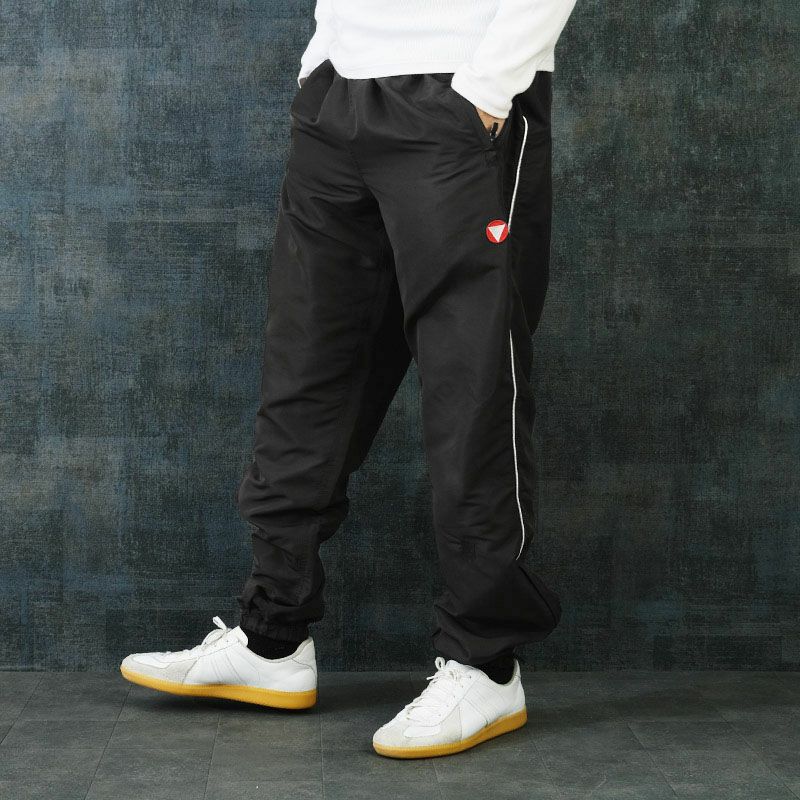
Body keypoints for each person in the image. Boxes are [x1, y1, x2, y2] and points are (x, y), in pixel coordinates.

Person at [120, 0, 577, 759]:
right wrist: (325, 54)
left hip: (463, 89)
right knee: (307, 369)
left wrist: (490, 84)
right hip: (340, 92)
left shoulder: (479, 90)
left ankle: (486, 663)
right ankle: (272, 638)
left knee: (470, 384)